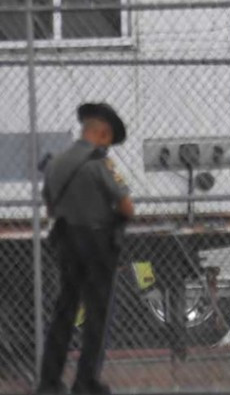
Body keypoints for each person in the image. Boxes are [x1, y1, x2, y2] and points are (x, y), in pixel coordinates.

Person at [38, 102, 135, 395]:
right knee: (97, 316)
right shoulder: (98, 164)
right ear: (103, 134)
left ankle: (49, 382)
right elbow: (127, 207)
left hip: (67, 242)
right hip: (97, 245)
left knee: (63, 311)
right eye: (109, 140)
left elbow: (50, 205)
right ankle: (85, 381)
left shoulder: (54, 163)